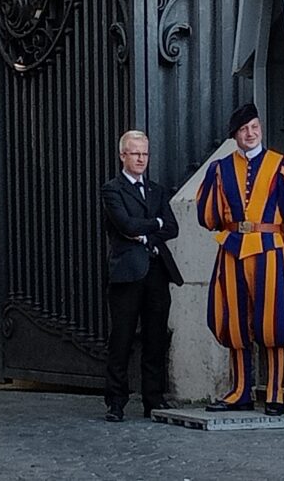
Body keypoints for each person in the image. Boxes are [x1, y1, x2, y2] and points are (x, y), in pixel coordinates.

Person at [196, 103, 284, 416]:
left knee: (275, 322)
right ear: (235, 135)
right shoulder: (220, 168)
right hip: (232, 248)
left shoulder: (281, 164)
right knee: (234, 322)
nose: (251, 133)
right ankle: (240, 391)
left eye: (255, 127)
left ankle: (275, 392)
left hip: (271, 249)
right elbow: (208, 217)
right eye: (244, 129)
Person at [100, 131, 182, 422]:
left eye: (145, 154)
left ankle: (154, 399)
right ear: (123, 155)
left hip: (157, 271)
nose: (141, 159)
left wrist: (145, 229)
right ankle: (116, 401)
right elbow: (125, 223)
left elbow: (172, 228)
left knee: (156, 337)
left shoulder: (158, 190)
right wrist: (153, 224)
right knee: (121, 338)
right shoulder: (113, 189)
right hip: (127, 273)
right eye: (135, 154)